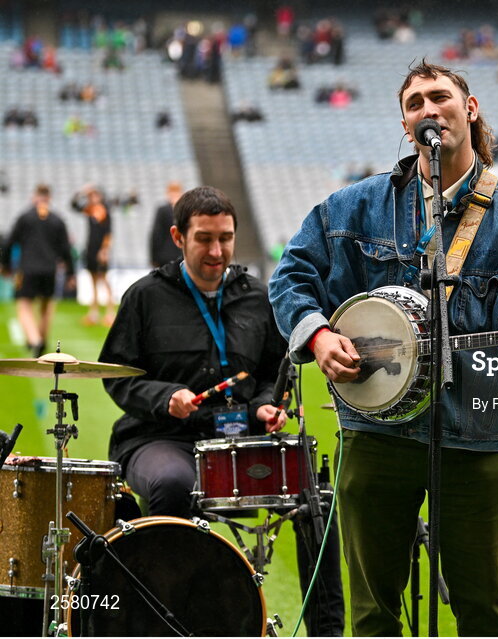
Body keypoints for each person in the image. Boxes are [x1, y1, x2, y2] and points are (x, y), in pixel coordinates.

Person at [268, 60, 498, 636]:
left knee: (483, 611)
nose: (428, 110)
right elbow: (291, 277)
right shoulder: (354, 207)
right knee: (372, 612)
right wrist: (319, 333)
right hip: (374, 432)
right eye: (415, 104)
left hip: (472, 436)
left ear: (470, 108)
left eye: (440, 97)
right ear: (406, 125)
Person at [98, 186, 345, 636]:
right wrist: (165, 397)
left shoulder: (258, 296)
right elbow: (117, 376)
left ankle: (326, 631)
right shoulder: (144, 297)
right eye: (205, 239)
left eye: (226, 238)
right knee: (174, 486)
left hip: (240, 439)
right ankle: (169, 623)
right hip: (160, 439)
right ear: (178, 237)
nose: (217, 251)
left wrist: (269, 405)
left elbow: (275, 372)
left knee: (317, 498)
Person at [2, 184, 74, 357]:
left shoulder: (25, 217)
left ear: (34, 197)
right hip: (50, 270)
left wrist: (5, 266)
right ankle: (41, 338)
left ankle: (34, 340)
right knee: (46, 305)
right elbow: (66, 249)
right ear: (49, 198)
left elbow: (9, 242)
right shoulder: (57, 219)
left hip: (27, 269)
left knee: (24, 305)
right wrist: (71, 274)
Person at [71, 185, 115, 326]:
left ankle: (110, 312)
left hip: (100, 250)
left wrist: (105, 250)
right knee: (93, 281)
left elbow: (109, 233)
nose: (92, 198)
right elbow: (73, 205)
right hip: (90, 249)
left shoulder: (104, 211)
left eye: (94, 195)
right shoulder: (90, 210)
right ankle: (94, 313)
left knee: (104, 280)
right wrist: (82, 191)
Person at [150, 181, 183, 268]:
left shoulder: (162, 210)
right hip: (177, 255)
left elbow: (156, 234)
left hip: (165, 256)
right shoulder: (185, 210)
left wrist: (153, 258)